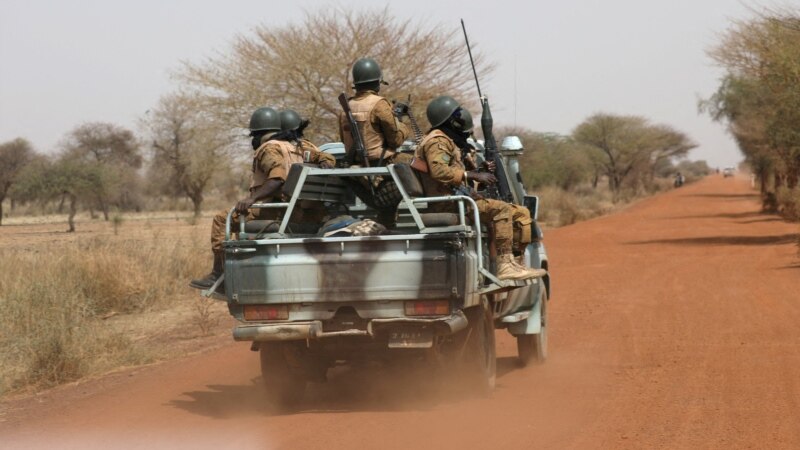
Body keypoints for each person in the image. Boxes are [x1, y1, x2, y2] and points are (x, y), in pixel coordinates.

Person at [190, 107, 335, 290]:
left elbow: (277, 179)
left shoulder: (269, 148)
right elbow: (328, 158)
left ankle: (219, 274)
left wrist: (252, 199)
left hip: (276, 211)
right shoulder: (304, 147)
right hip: (303, 211)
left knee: (221, 219)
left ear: (260, 134)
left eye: (254, 136)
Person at [415, 95, 545, 281]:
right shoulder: (437, 141)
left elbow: (454, 172)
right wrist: (472, 175)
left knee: (522, 213)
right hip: (448, 203)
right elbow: (439, 171)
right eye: (457, 115)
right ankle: (505, 266)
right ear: (449, 120)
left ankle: (515, 263)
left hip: (459, 199)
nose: (461, 118)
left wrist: (478, 170)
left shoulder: (448, 141)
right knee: (501, 209)